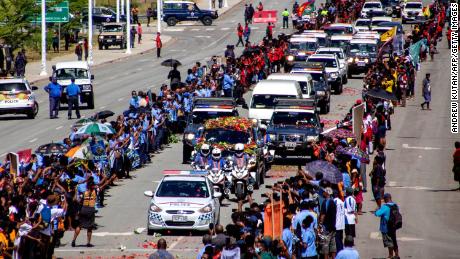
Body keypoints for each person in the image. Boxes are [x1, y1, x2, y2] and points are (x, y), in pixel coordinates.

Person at [375, 193, 400, 259]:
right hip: (394, 226)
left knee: (389, 241)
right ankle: (397, 255)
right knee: (394, 240)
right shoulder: (396, 205)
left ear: (386, 199)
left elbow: (377, 214)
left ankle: (390, 255)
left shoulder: (385, 206)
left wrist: (377, 209)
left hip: (386, 226)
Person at [319, 187, 337, 259]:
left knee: (325, 246)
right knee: (333, 245)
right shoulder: (333, 201)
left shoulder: (325, 202)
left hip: (326, 227)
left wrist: (320, 224)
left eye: (324, 192)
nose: (323, 193)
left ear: (327, 193)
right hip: (333, 226)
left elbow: (323, 215)